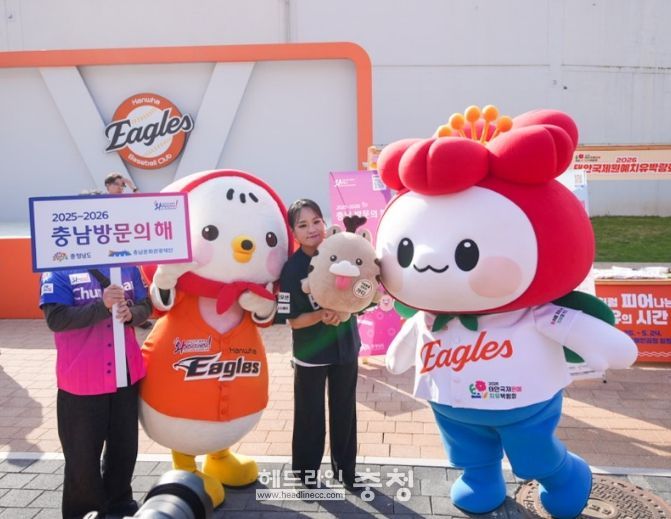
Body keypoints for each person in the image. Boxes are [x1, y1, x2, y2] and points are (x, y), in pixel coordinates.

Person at [40, 267, 152, 518]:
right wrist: (102, 306)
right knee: (82, 455)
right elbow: (56, 319)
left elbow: (145, 305)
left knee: (124, 446)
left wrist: (131, 314)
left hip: (125, 373)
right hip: (82, 378)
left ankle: (119, 502)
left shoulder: (129, 266)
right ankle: (85, 511)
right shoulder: (58, 268)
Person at [276, 199, 361, 488]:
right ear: (294, 233)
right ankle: (306, 473)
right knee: (309, 414)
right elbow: (293, 321)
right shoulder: (291, 270)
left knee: (345, 411)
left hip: (345, 347)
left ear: (324, 223)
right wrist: (321, 314)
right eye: (303, 225)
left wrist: (348, 308)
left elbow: (361, 295)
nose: (311, 229)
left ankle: (346, 471)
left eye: (316, 221)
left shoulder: (342, 253)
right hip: (311, 353)